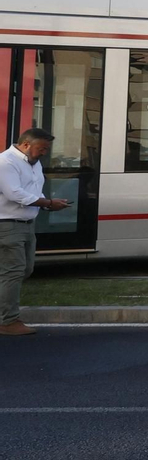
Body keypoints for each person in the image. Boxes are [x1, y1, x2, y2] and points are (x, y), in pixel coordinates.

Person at [0, 129, 68, 337]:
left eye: (47, 149)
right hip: (8, 225)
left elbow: (34, 190)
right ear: (26, 145)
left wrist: (47, 205)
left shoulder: (33, 162)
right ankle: (7, 321)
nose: (44, 153)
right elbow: (14, 193)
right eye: (42, 148)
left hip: (27, 224)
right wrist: (47, 203)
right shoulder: (6, 162)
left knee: (25, 270)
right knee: (13, 272)